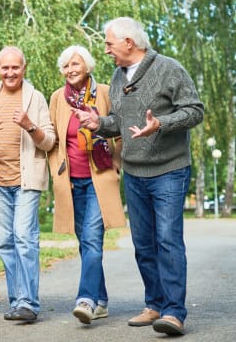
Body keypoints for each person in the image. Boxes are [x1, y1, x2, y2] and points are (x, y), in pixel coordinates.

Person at [72, 17, 204, 335]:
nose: (106, 50)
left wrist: (160, 123)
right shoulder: (118, 76)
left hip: (169, 170)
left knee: (168, 241)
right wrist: (99, 123)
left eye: (109, 43)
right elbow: (120, 121)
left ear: (128, 43)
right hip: (134, 172)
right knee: (143, 243)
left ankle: (174, 312)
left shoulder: (169, 69)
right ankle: (155, 304)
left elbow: (195, 110)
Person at [0, 46, 55, 322]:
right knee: (5, 243)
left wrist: (30, 126)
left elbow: (49, 142)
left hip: (26, 180)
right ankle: (17, 301)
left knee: (24, 237)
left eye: (15, 67)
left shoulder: (35, 98)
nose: (10, 72)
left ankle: (29, 303)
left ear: (24, 68)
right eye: (5, 67)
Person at [48, 46, 126, 325]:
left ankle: (86, 300)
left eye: (75, 64)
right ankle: (101, 299)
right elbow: (54, 139)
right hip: (70, 181)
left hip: (99, 177)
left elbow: (119, 126)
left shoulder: (104, 92)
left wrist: (116, 162)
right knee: (85, 243)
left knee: (92, 239)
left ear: (88, 66)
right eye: (66, 65)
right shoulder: (58, 98)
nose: (70, 69)